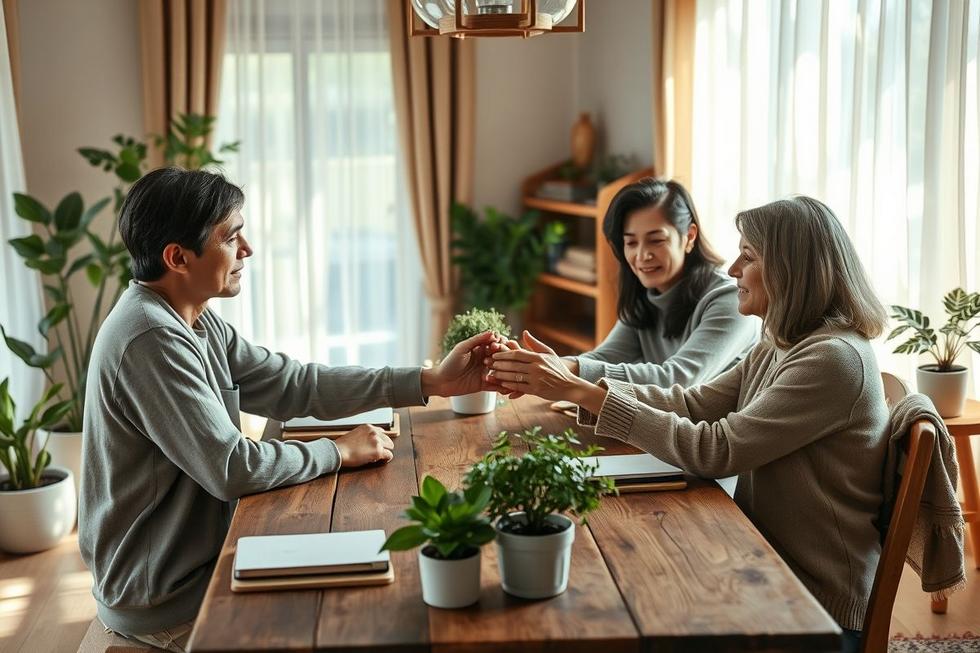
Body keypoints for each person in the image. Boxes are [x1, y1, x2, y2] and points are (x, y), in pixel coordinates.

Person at [80, 167, 502, 650]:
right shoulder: (150, 339)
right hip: (166, 597)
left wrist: (430, 381)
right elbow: (232, 467)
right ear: (177, 257)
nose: (247, 250)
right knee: (373, 609)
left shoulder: (192, 319)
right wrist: (337, 451)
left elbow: (292, 384)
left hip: (195, 568)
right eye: (231, 236)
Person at [489, 196, 889, 652]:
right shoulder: (783, 341)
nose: (734, 268)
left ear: (792, 268)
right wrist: (572, 383)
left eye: (749, 256)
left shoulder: (833, 358)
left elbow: (716, 450)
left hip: (813, 610)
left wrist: (580, 390)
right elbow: (694, 403)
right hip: (765, 565)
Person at [565, 178, 757, 386]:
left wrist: (570, 369)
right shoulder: (646, 295)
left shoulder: (730, 300)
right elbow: (603, 358)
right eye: (631, 242)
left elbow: (676, 379)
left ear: (689, 237)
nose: (642, 255)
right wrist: (550, 364)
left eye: (656, 240)